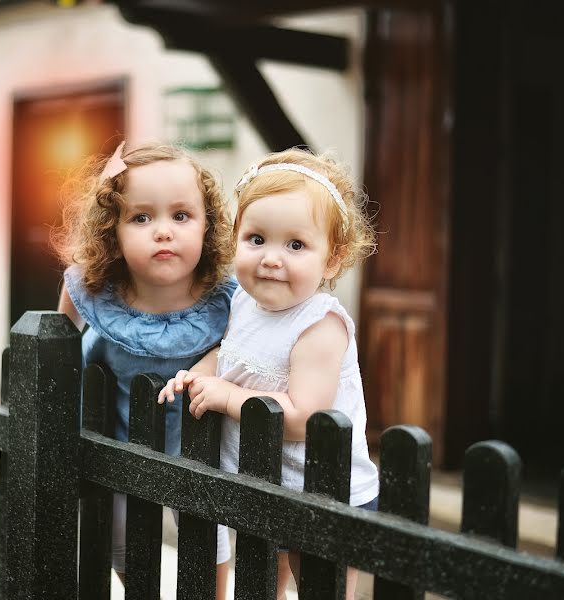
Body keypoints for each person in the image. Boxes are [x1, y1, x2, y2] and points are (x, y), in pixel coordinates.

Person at [158, 148, 379, 600]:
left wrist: (225, 398)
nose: (271, 259)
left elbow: (302, 418)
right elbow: (229, 355)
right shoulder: (244, 300)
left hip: (321, 493)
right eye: (257, 239)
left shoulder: (320, 326)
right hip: (263, 482)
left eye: (296, 245)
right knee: (262, 586)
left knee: (322, 589)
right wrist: (195, 374)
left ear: (332, 260)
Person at [53, 141, 237, 597]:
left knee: (205, 530)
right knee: (117, 531)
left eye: (181, 216)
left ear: (207, 226)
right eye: (141, 218)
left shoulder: (227, 299)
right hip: (116, 437)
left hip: (197, 445)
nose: (163, 232)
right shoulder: (96, 291)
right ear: (111, 230)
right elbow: (54, 342)